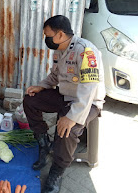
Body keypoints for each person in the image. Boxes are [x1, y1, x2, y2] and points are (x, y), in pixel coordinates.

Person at [23, 15, 106, 193]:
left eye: (48, 35)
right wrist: (41, 86)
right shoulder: (59, 50)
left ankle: (57, 171)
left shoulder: (86, 51)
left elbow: (89, 88)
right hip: (65, 95)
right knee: (30, 100)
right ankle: (43, 142)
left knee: (66, 130)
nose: (46, 39)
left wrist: (71, 117)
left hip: (87, 102)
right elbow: (55, 77)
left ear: (60, 34)